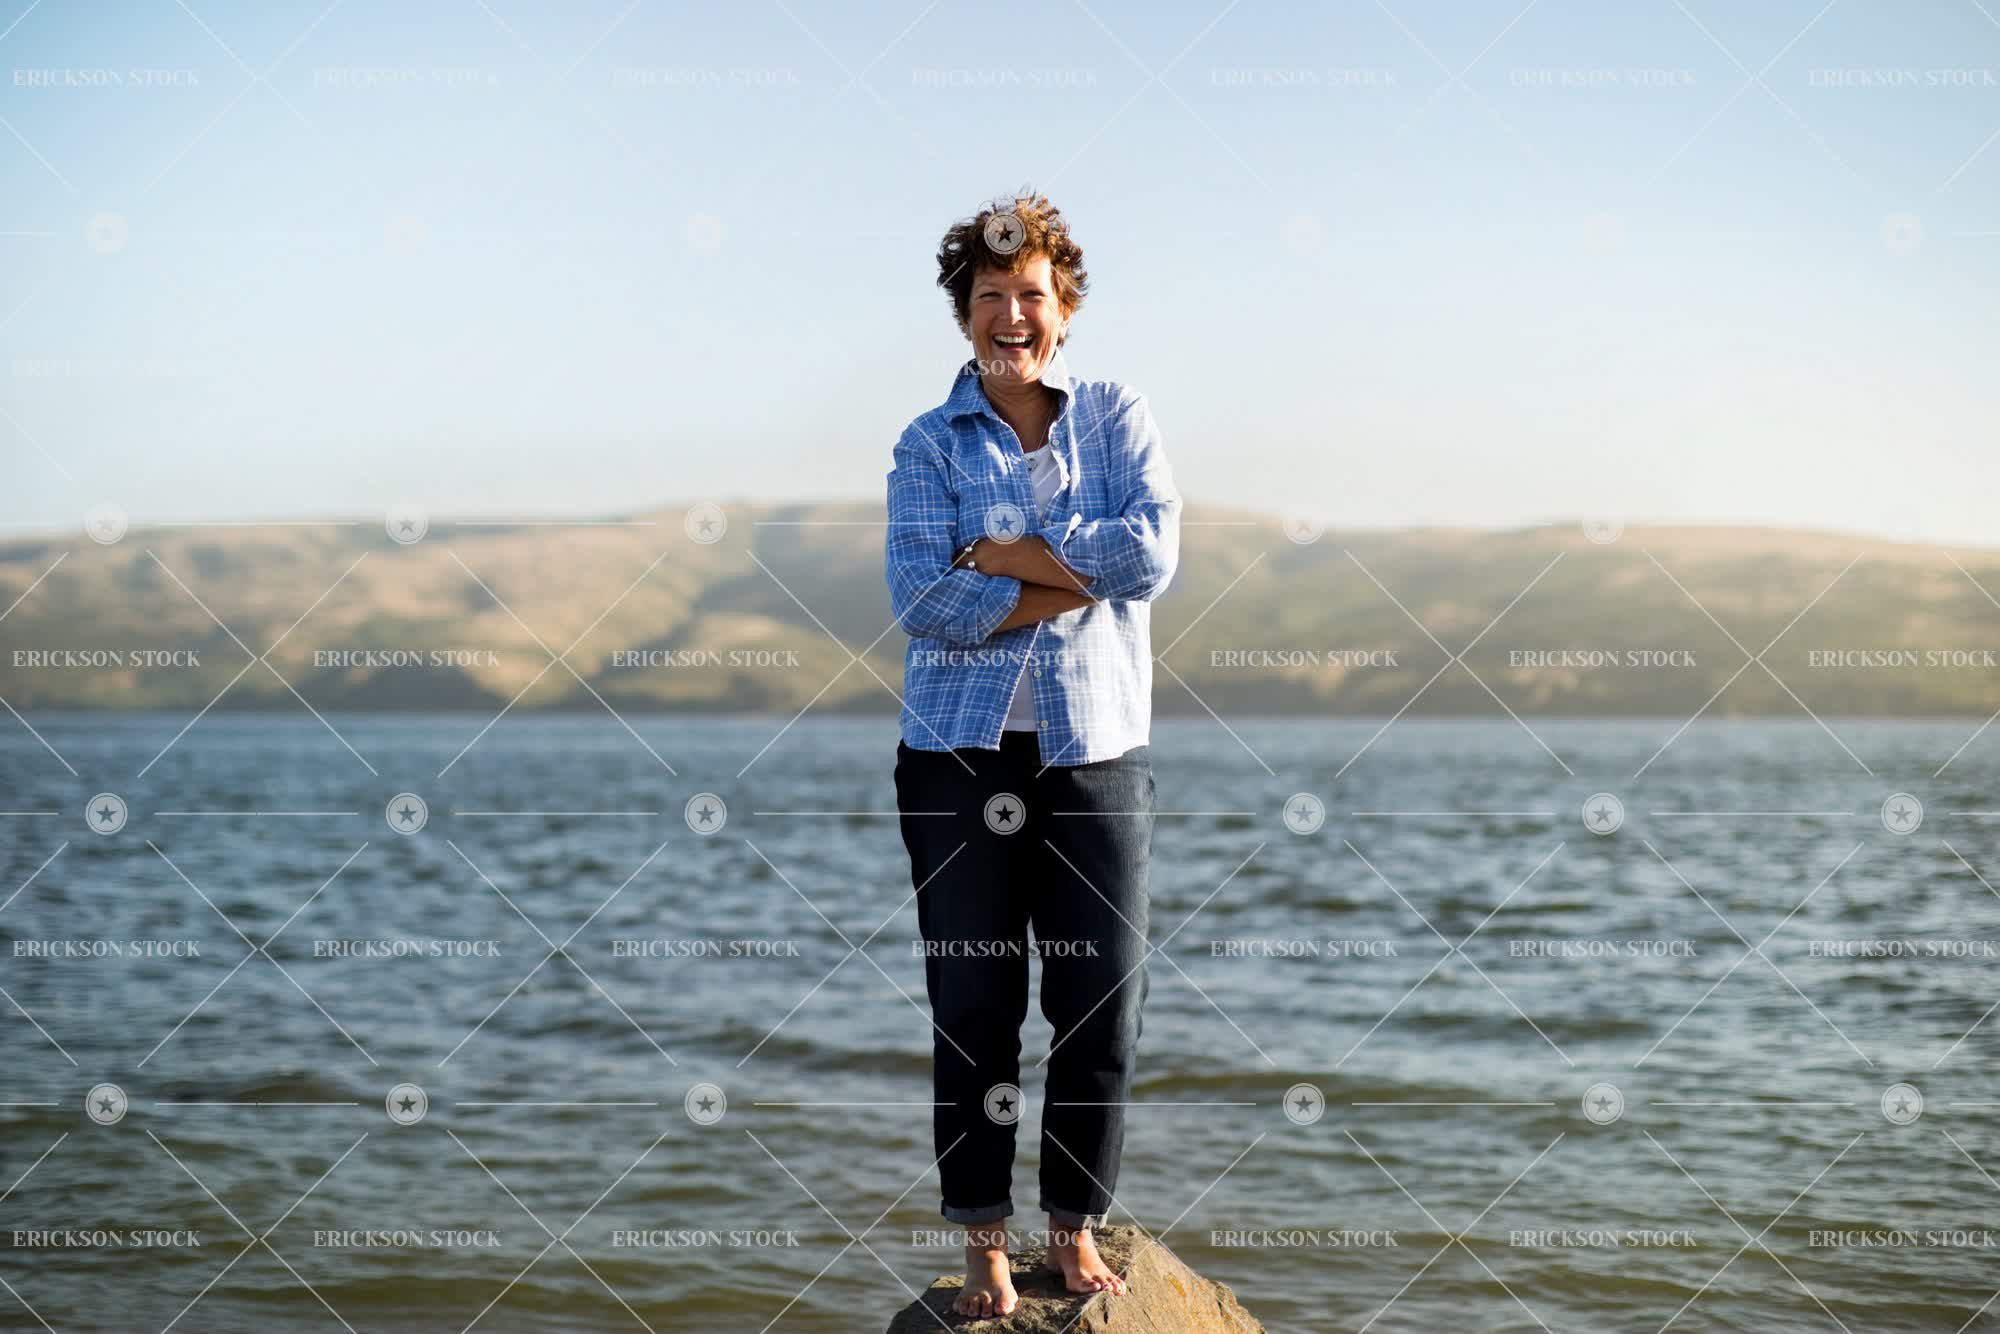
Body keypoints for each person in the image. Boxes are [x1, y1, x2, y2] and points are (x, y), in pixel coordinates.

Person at [884, 190, 1181, 1319]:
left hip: (1097, 753)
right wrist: (1070, 574)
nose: (1012, 315)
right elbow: (924, 601)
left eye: (1032, 296)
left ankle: (1071, 1227)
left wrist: (1003, 552)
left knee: (1102, 1000)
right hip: (956, 761)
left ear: (1065, 310)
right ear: (963, 310)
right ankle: (982, 1245)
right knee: (974, 1004)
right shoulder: (926, 442)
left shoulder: (1116, 414)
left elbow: (1149, 556)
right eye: (991, 296)